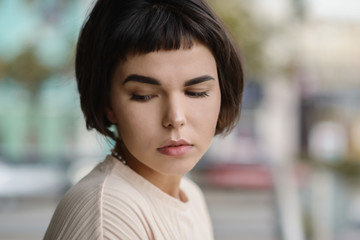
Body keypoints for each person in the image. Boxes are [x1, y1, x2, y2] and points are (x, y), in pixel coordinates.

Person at [44, 0, 244, 239]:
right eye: (144, 96)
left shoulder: (188, 194)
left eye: (196, 92)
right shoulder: (109, 216)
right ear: (107, 102)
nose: (175, 118)